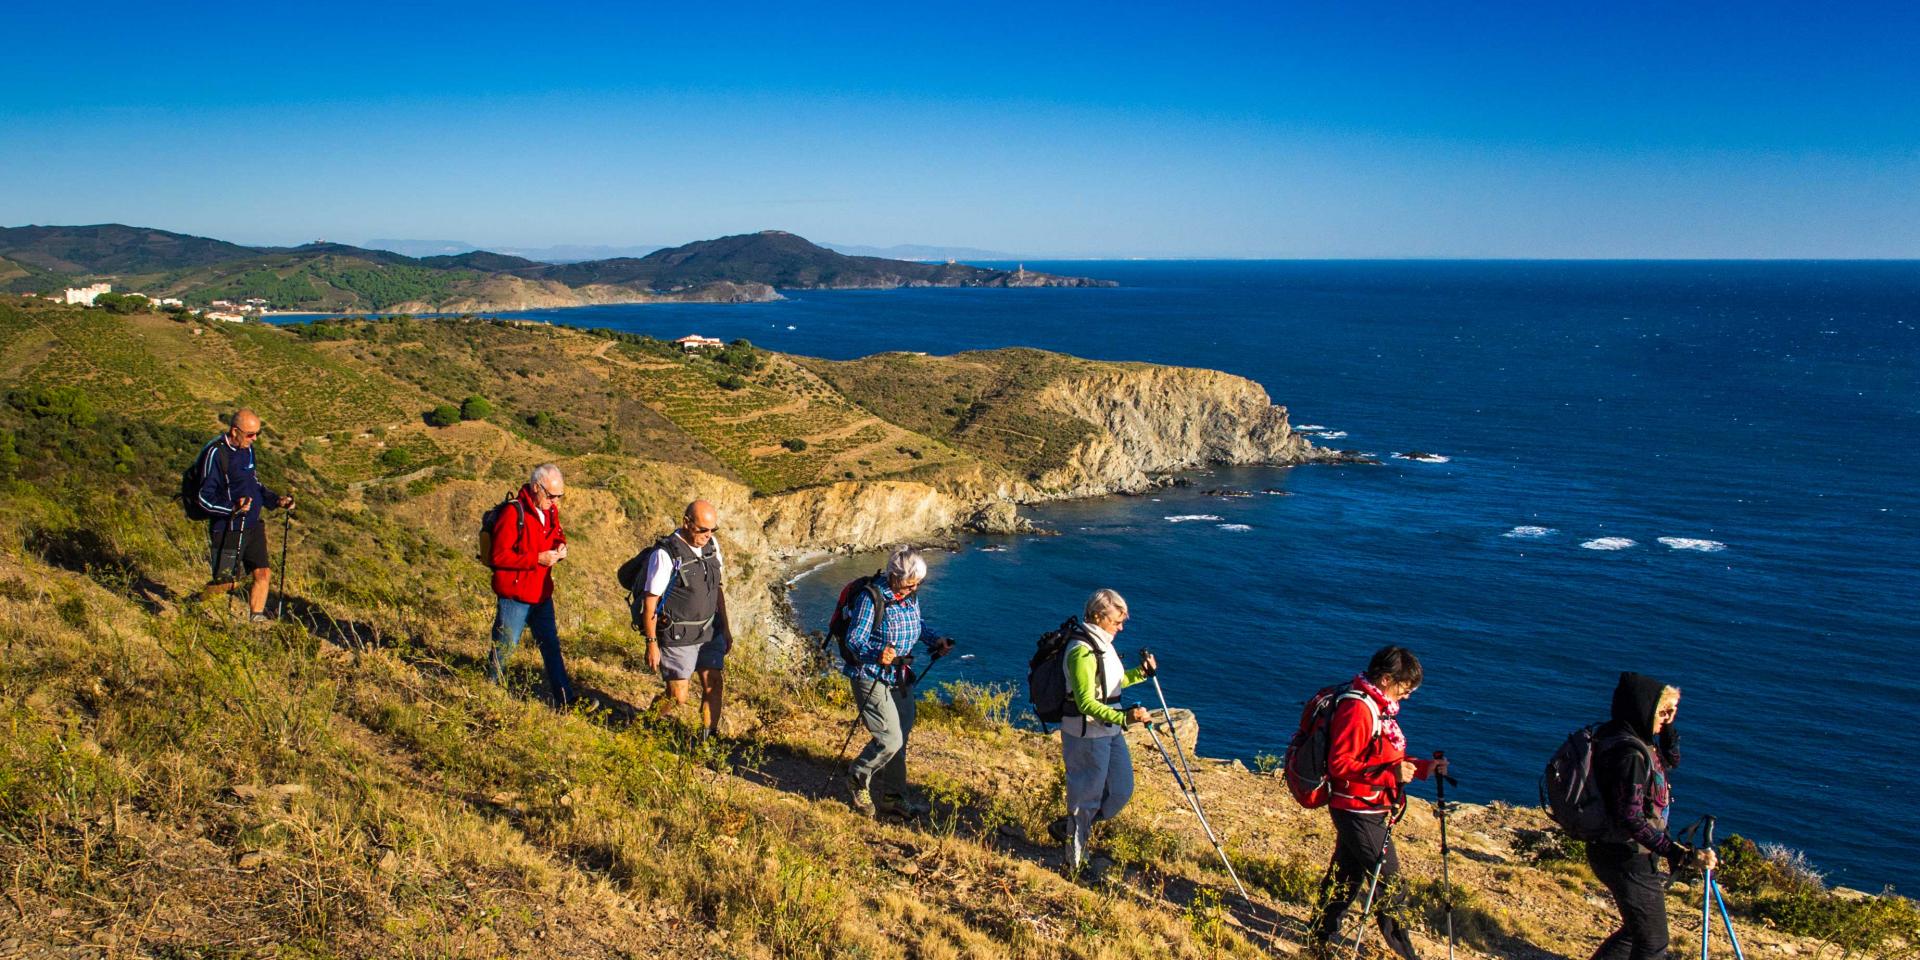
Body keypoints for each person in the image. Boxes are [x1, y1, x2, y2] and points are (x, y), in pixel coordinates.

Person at [1308, 645, 1450, 960]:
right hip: (1357, 808)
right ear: (1386, 679)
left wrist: (1424, 767)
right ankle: (1404, 953)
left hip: (1365, 807)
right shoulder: (1358, 709)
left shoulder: (1377, 705)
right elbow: (1340, 765)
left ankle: (1318, 937)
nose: (1409, 695)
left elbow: (1383, 757)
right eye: (1405, 687)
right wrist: (1390, 773)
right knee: (1391, 882)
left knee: (1346, 876)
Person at [1586, 672, 1714, 960]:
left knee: (1636, 932)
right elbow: (1630, 818)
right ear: (1643, 708)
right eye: (1663, 711)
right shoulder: (1629, 755)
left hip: (1615, 852)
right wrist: (1678, 852)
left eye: (1672, 711)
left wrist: (1668, 725)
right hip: (1627, 857)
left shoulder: (1622, 735)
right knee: (1653, 943)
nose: (1668, 717)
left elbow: (1670, 760)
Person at [1044, 588, 1155, 876]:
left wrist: (1140, 674)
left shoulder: (1102, 642)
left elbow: (1110, 685)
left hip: (1109, 730)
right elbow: (1086, 702)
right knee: (1086, 798)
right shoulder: (1081, 650)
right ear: (1097, 615)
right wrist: (1124, 717)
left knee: (1120, 790)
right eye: (1117, 621)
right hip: (1085, 734)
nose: (1121, 627)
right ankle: (1075, 864)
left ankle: (1070, 830)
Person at [839, 545, 951, 820]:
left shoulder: (908, 597)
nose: (914, 589)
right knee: (889, 739)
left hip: (899, 678)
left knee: (902, 738)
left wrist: (934, 640)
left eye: (917, 585)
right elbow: (854, 639)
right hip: (870, 674)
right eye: (910, 584)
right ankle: (857, 776)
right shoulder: (871, 598)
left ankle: (893, 797)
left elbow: (917, 624)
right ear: (895, 576)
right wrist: (877, 654)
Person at [640, 499, 733, 738]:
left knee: (714, 683)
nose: (708, 535)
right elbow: (650, 601)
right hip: (678, 635)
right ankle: (647, 722)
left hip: (710, 630)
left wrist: (726, 629)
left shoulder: (712, 546)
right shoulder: (666, 554)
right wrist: (651, 643)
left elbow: (717, 589)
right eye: (702, 529)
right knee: (678, 695)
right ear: (686, 522)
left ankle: (708, 739)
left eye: (712, 530)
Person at [485, 463, 575, 708]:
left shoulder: (550, 511)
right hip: (515, 596)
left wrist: (560, 547)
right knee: (504, 647)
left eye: (559, 496)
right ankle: (488, 695)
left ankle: (566, 700)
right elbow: (498, 556)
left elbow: (557, 534)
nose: (555, 501)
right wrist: (537, 558)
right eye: (552, 495)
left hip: (541, 594)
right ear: (536, 487)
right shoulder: (513, 514)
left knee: (551, 647)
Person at [196, 408, 294, 622]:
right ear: (234, 431)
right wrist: (232, 507)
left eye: (258, 433)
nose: (255, 439)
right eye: (251, 434)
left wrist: (276, 500)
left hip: (252, 525)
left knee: (263, 573)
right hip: (229, 527)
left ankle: (256, 618)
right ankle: (194, 603)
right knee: (227, 582)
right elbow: (203, 497)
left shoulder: (248, 449)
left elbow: (254, 484)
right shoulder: (215, 453)